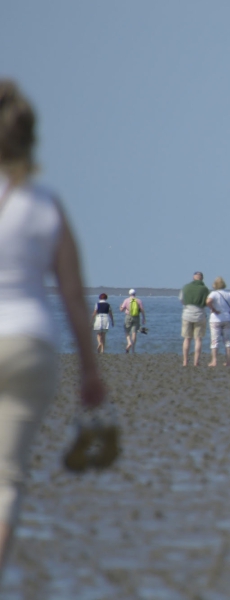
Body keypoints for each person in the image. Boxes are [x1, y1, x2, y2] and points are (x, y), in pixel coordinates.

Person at [0, 80, 105, 581]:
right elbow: (71, 294)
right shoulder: (46, 204)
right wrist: (90, 368)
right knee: (6, 483)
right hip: (30, 342)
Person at [206, 277, 230, 367]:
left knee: (215, 341)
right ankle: (228, 361)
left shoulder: (213, 294)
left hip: (216, 319)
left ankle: (214, 361)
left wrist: (213, 309)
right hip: (228, 319)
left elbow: (208, 301)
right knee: (228, 341)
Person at [179, 271, 209, 367]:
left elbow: (181, 300)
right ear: (202, 279)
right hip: (200, 314)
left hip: (187, 314)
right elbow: (208, 301)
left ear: (193, 278)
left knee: (187, 338)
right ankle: (196, 362)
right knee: (198, 339)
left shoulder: (186, 287)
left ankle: (185, 362)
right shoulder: (205, 289)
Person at [118, 289, 146, 353]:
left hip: (128, 317)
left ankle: (129, 342)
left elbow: (121, 310)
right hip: (136, 317)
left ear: (129, 294)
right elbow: (142, 310)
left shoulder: (126, 300)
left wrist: (120, 307)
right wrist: (144, 318)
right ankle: (133, 349)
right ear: (135, 294)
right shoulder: (139, 300)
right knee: (134, 333)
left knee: (127, 331)